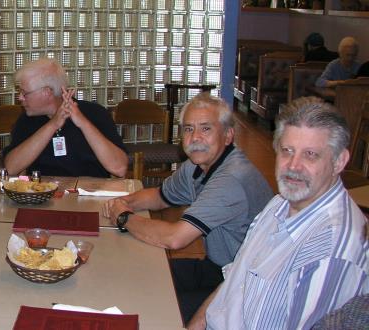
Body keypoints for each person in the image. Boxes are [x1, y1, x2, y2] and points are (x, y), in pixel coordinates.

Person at [191, 97, 368, 329]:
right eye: (287, 151)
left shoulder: (329, 250)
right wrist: (196, 323)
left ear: (339, 161)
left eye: (310, 154)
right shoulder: (280, 203)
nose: (293, 166)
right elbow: (236, 279)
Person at [101, 93, 274, 324]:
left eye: (206, 129)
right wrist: (123, 202)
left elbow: (175, 239)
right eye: (188, 129)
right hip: (216, 268)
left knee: (150, 306)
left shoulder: (231, 179)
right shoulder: (196, 165)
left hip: (243, 286)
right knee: (137, 275)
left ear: (228, 135)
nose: (195, 138)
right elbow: (160, 196)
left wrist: (123, 217)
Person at [3, 58, 128, 178]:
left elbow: (119, 168)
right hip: (43, 194)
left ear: (47, 92)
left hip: (90, 194)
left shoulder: (95, 113)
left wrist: (83, 123)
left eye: (25, 93)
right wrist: (52, 125)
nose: (20, 98)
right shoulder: (27, 119)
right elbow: (11, 168)